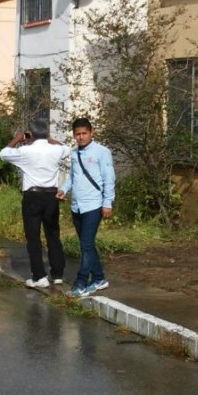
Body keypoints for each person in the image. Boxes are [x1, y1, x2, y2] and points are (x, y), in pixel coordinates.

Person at [0, 117, 71, 289]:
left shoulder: (25, 151)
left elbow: (3, 154)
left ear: (30, 134)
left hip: (32, 196)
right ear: (47, 132)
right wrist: (49, 139)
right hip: (51, 195)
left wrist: (18, 138)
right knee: (53, 234)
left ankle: (39, 276)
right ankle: (58, 273)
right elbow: (67, 149)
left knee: (33, 237)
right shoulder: (56, 150)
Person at [59, 117, 115, 297]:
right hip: (77, 206)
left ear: (91, 132)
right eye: (78, 134)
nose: (81, 137)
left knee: (85, 245)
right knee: (87, 246)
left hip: (94, 205)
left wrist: (107, 203)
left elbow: (109, 178)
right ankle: (99, 278)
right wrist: (64, 190)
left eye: (84, 133)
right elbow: (73, 177)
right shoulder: (74, 154)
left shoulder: (102, 152)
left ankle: (81, 282)